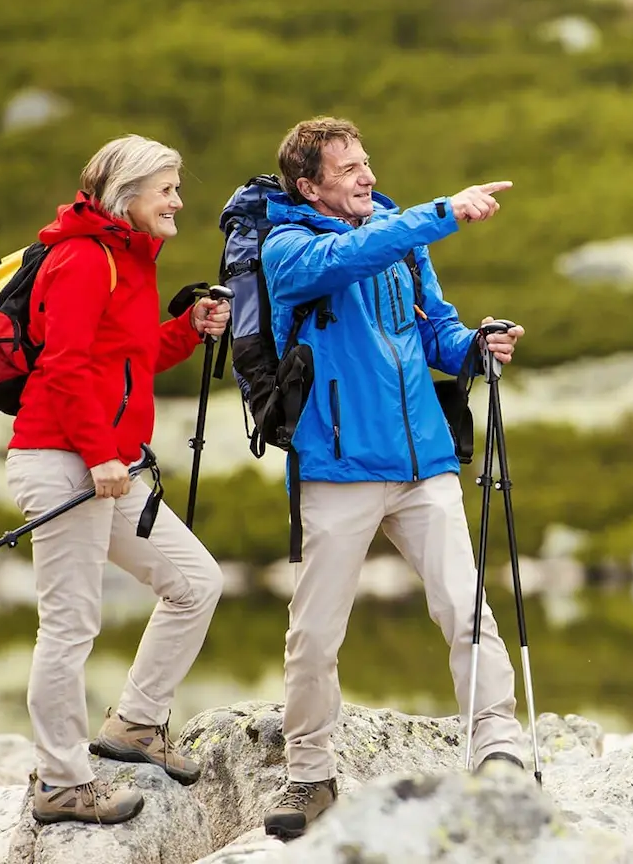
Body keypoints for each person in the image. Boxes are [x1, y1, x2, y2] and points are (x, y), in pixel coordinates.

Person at [256, 116, 531, 840]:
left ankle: (498, 747)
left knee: (465, 608)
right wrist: (439, 214)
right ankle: (310, 774)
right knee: (315, 634)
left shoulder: (400, 239)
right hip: (337, 466)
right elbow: (344, 260)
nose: (367, 176)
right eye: (349, 169)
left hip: (423, 464)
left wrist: (475, 347)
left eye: (367, 162)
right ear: (309, 185)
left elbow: (433, 330)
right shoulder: (286, 247)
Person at [6, 134, 232, 825]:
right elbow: (64, 369)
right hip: (63, 459)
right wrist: (102, 455)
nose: (178, 201)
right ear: (125, 194)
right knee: (71, 626)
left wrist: (188, 328)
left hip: (106, 462)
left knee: (196, 584)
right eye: (167, 188)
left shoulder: (129, 260)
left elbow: (125, 360)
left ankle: (135, 723)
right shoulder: (80, 259)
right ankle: (61, 784)